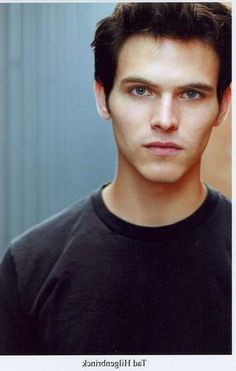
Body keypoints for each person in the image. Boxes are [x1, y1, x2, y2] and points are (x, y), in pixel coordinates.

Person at [0, 2, 231, 355]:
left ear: (223, 105)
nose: (165, 120)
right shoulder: (29, 267)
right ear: (102, 98)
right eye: (141, 91)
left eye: (191, 94)